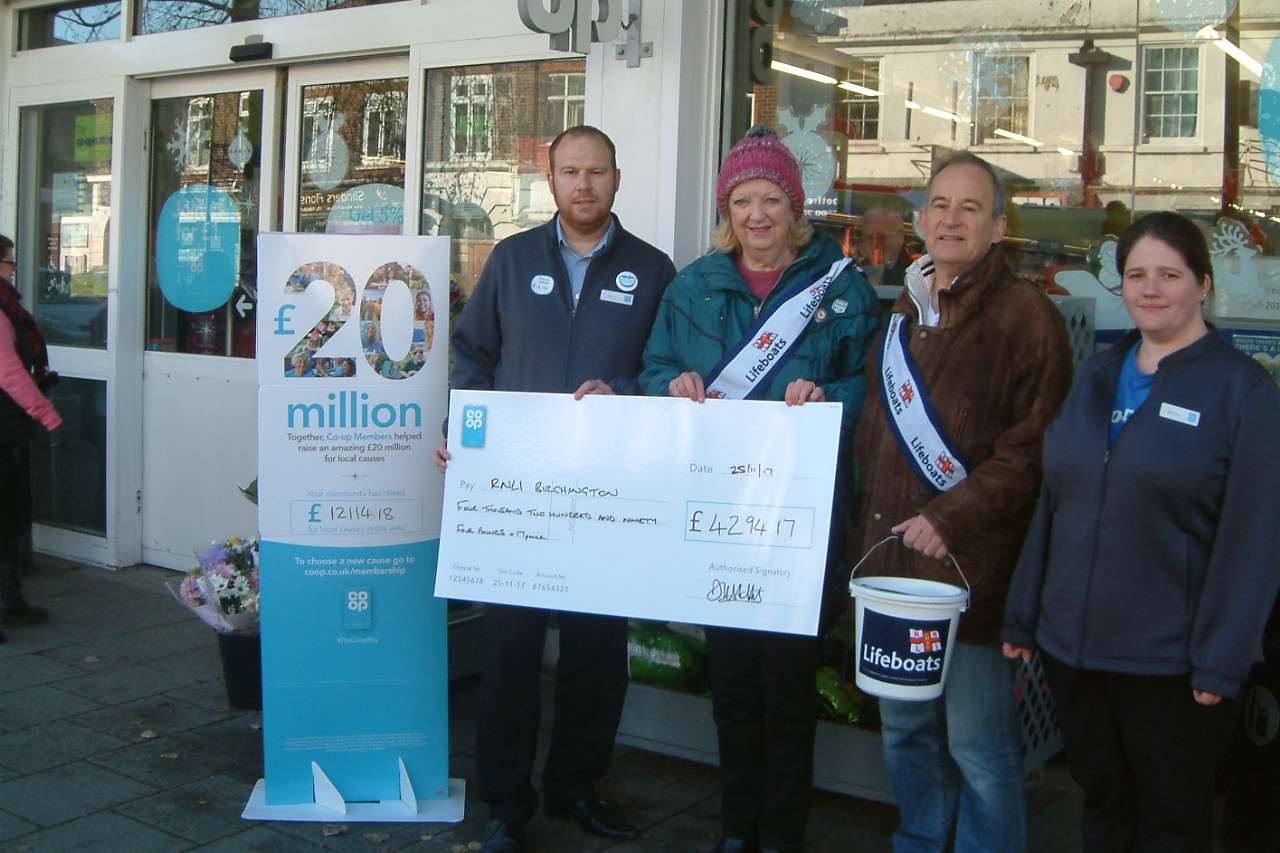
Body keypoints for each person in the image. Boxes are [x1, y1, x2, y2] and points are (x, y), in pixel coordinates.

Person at [1002, 211, 1280, 853]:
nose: (1150, 289)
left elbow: (1254, 542)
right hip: (1076, 653)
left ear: (1203, 285)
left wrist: (1223, 658)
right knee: (1103, 807)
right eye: (1136, 275)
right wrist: (1024, 613)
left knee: (1171, 824)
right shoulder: (1097, 375)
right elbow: (1054, 499)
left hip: (1171, 665)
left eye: (1169, 274)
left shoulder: (1243, 393)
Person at [432, 125, 677, 853]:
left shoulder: (653, 269)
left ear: (617, 178)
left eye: (597, 171)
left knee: (597, 652)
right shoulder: (509, 260)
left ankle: (577, 784)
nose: (584, 185)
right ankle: (506, 800)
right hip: (518, 489)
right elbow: (473, 354)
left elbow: (665, 366)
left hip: (607, 489)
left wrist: (625, 390)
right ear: (551, 179)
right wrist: (465, 430)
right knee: (509, 649)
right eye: (571, 171)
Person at [640, 125, 879, 853]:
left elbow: (872, 391)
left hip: (797, 523)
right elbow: (652, 370)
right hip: (718, 517)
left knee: (788, 684)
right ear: (727, 209)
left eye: (771, 198)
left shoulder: (843, 291)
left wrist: (827, 391)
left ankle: (781, 833)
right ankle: (736, 826)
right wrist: (670, 384)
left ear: (794, 206)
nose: (757, 215)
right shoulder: (693, 286)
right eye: (742, 200)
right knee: (736, 683)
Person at [848, 151, 1073, 853]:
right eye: (940, 205)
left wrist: (951, 517)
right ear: (921, 220)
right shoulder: (905, 310)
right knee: (906, 731)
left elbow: (1033, 450)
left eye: (970, 208)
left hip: (971, 575)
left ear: (998, 226)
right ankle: (921, 840)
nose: (951, 219)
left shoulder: (1028, 318)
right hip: (892, 571)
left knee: (978, 747)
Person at [0, 234, 59, 644]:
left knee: (10, 516)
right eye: (8, 260)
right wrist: (46, 413)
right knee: (7, 515)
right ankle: (7, 600)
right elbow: (8, 372)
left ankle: (10, 598)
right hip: (5, 426)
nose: (14, 267)